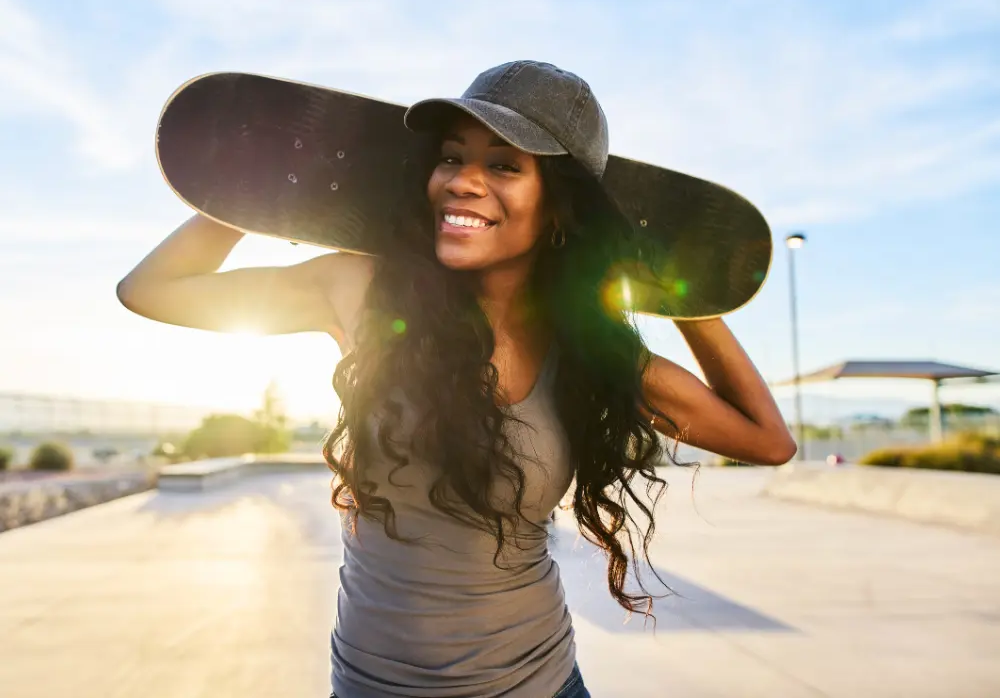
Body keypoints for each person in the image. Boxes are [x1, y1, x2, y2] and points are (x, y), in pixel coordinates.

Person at [118, 60, 796, 698]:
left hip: (539, 683)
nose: (462, 181)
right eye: (451, 157)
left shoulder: (593, 354)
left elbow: (767, 441)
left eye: (503, 165)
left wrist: (682, 291)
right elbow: (151, 290)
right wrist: (251, 195)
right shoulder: (362, 291)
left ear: (557, 207)